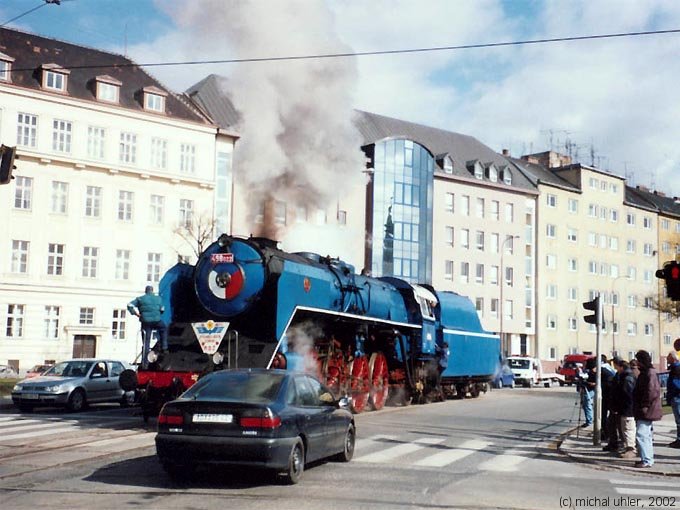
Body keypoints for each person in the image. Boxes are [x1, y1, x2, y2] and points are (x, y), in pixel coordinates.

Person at [632, 350, 662, 468]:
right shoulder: (646, 372)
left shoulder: (649, 373)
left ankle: (646, 459)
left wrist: (644, 405)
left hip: (646, 408)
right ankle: (647, 458)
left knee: (642, 434)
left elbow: (651, 391)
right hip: (644, 407)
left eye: (638, 360)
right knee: (646, 435)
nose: (637, 363)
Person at [128, 285, 168, 367]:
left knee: (146, 342)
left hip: (145, 322)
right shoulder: (158, 299)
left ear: (145, 291)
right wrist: (158, 314)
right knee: (163, 328)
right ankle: (164, 347)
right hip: (157, 321)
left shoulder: (140, 299)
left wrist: (135, 313)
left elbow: (129, 305)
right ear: (152, 291)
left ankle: (145, 363)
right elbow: (162, 309)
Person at [613, 358, 637, 458]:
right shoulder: (626, 377)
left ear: (622, 367)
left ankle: (631, 449)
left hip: (628, 408)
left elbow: (628, 395)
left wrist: (622, 406)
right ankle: (628, 447)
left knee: (628, 428)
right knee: (626, 428)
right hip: (626, 408)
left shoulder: (627, 379)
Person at [667, 350, 680, 448]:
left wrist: (673, 393)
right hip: (675, 396)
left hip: (677, 397)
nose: (667, 358)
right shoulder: (674, 368)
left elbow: (675, 383)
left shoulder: (676, 369)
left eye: (668, 356)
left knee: (679, 420)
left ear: (673, 358)